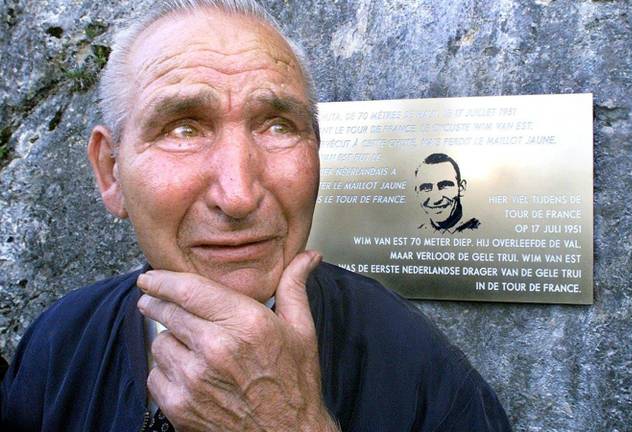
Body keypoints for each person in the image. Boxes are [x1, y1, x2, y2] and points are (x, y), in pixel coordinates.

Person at [0, 1, 511, 431]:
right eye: (183, 129)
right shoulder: (59, 342)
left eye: (277, 126)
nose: (239, 195)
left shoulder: (417, 366)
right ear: (111, 172)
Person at [415, 153, 481, 233]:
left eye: (444, 186)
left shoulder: (478, 229)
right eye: (426, 188)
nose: (436, 199)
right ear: (417, 192)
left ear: (461, 188)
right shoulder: (417, 231)